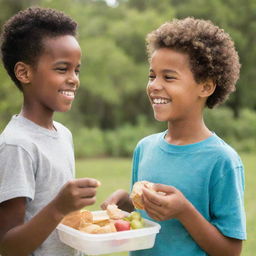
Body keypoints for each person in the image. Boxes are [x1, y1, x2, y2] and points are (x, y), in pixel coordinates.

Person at [101, 17, 246, 255]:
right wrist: (125, 203)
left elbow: (230, 251)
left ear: (206, 87)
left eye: (168, 77)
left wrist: (184, 211)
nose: (154, 85)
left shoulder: (222, 160)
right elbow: (144, 216)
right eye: (152, 76)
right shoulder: (144, 148)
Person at [0, 7, 100, 256]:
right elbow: (8, 245)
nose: (74, 79)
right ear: (24, 73)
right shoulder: (17, 145)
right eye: (62, 69)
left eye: (76, 70)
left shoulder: (63, 133)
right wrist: (59, 207)